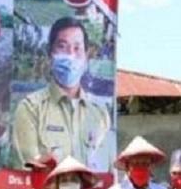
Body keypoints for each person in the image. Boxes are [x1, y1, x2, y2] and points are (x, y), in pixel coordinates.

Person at [12, 17, 113, 171]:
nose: (70, 56)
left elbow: (105, 169)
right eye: (62, 46)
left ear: (86, 56)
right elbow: (29, 170)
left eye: (77, 48)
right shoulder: (30, 108)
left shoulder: (100, 114)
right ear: (50, 53)